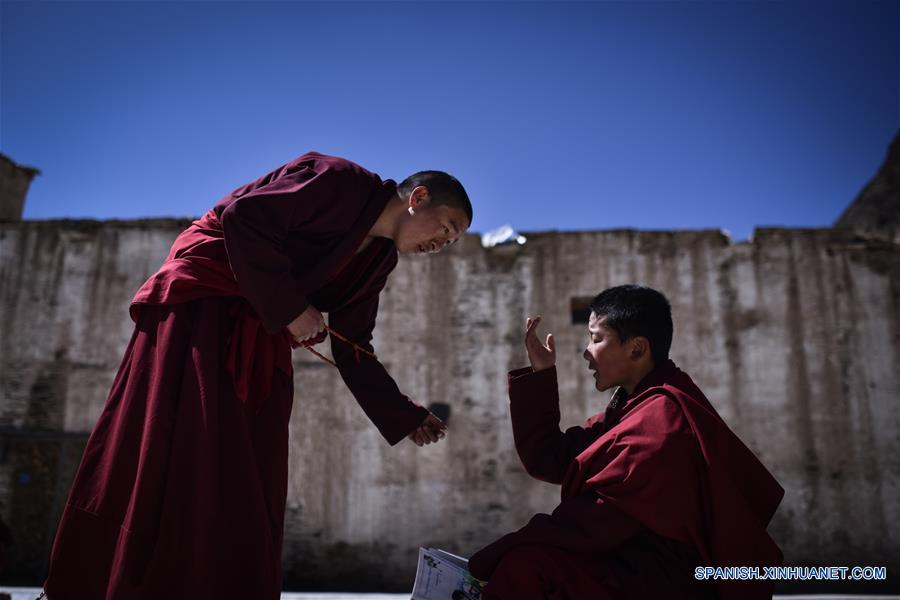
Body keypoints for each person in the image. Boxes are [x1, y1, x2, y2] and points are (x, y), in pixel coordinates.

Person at [42, 151, 472, 600]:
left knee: (250, 464)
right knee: (183, 445)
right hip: (202, 307)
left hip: (261, 330)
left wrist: (405, 415)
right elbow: (243, 219)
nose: (442, 243)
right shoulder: (340, 181)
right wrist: (290, 308)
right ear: (417, 198)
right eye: (446, 228)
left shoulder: (377, 262)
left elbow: (354, 346)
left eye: (452, 240)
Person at [468, 285, 783, 600]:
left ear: (636, 348)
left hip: (667, 583)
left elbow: (594, 522)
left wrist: (490, 558)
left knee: (527, 567)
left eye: (596, 339)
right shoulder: (632, 409)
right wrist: (542, 373)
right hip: (631, 567)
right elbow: (550, 458)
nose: (586, 352)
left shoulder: (661, 422)